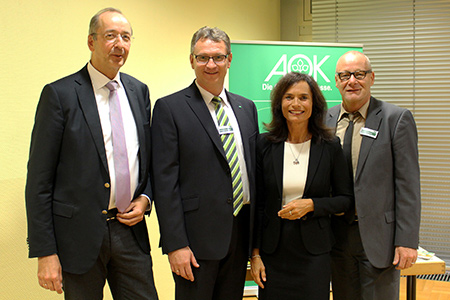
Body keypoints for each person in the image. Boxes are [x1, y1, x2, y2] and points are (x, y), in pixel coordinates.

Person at [25, 8, 158, 300]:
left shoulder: (139, 92)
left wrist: (146, 198)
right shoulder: (60, 95)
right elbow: (39, 181)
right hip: (79, 237)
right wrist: (45, 252)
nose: (119, 44)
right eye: (110, 36)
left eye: (125, 37)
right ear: (91, 42)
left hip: (130, 231)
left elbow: (147, 161)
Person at [151, 26, 259, 300]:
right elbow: (165, 183)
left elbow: (252, 171)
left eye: (218, 57)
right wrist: (176, 245)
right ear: (191, 61)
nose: (211, 64)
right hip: (195, 242)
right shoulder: (170, 108)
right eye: (202, 57)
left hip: (239, 233)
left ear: (229, 59)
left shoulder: (246, 108)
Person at [250, 72, 354, 300]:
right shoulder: (264, 145)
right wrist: (255, 255)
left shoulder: (329, 146)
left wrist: (312, 205)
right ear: (279, 103)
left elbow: (345, 199)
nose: (296, 104)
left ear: (314, 103)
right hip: (273, 252)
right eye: (289, 97)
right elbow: (258, 205)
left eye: (303, 97)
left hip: (314, 254)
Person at [327, 51, 421, 300]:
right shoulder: (324, 119)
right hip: (336, 237)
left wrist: (407, 240)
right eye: (345, 75)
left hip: (380, 238)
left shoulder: (396, 119)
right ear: (336, 81)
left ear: (372, 78)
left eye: (359, 74)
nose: (352, 81)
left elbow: (408, 185)